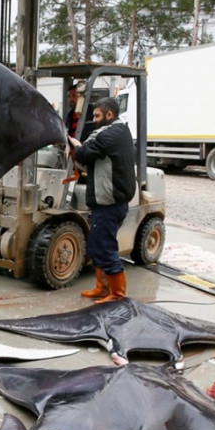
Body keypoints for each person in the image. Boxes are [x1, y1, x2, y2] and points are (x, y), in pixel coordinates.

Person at [69, 96, 136, 303]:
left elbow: (85, 154)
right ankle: (102, 287)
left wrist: (74, 145)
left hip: (110, 203)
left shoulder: (111, 134)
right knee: (97, 244)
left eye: (97, 116)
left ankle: (117, 294)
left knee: (105, 246)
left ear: (109, 115)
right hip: (106, 201)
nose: (94, 120)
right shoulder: (118, 130)